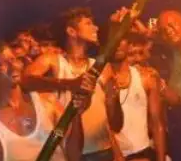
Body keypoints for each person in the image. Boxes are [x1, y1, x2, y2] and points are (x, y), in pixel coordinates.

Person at [0, 41, 87, 161]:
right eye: (3, 63)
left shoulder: (47, 102)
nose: (13, 65)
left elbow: (74, 155)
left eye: (14, 59)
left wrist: (76, 116)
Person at [21, 9, 123, 161]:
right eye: (88, 23)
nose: (96, 28)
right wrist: (70, 84)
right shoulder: (52, 61)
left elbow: (116, 125)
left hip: (103, 152)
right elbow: (25, 81)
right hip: (71, 155)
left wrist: (113, 98)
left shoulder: (101, 67)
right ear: (71, 31)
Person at [104, 12, 166, 161]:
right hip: (108, 156)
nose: (117, 45)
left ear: (129, 44)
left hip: (142, 155)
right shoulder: (99, 79)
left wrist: (161, 158)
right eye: (112, 40)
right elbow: (103, 125)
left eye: (121, 40)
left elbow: (157, 123)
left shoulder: (147, 77)